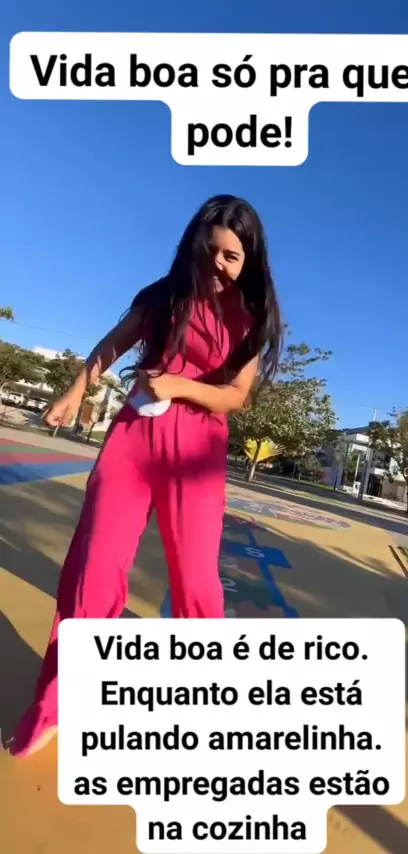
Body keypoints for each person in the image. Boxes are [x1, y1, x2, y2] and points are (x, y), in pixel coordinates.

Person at [9, 194, 283, 758]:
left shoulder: (252, 319)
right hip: (133, 439)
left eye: (231, 256)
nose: (216, 264)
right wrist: (75, 389)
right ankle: (60, 700)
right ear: (192, 247)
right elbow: (112, 344)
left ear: (249, 261)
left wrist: (179, 385)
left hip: (196, 450)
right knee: (93, 568)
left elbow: (236, 395)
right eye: (209, 251)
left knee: (195, 581)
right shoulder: (163, 295)